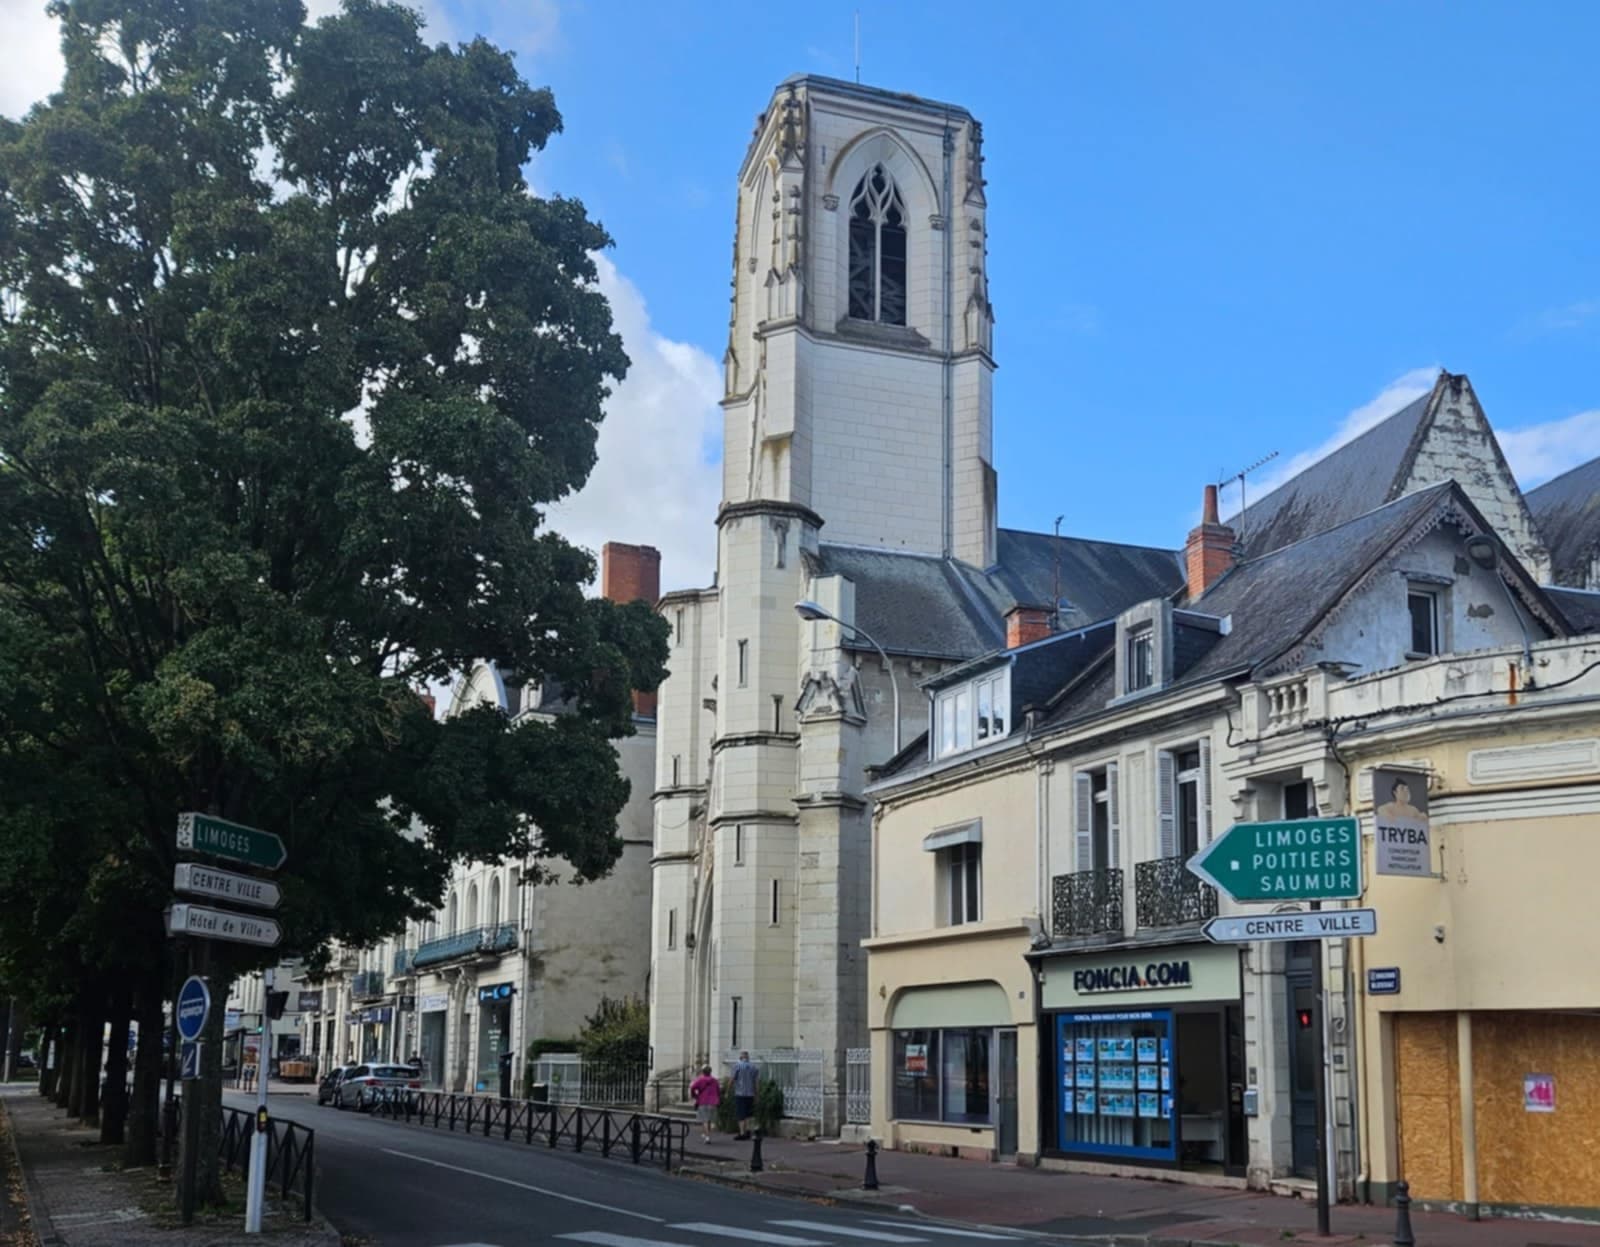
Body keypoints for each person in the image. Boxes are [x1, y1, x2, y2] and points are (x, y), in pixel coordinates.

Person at [689, 1065, 721, 1144]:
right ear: (710, 1072)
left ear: (703, 1072)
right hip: (713, 1102)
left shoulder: (700, 1080)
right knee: (709, 1119)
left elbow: (693, 1087)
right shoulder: (715, 1080)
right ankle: (707, 1134)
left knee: (704, 1120)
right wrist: (718, 1098)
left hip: (703, 1101)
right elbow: (718, 1090)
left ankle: (707, 1137)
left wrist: (694, 1096)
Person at [731, 1050, 759, 1141]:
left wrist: (727, 1090)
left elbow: (732, 1079)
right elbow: (756, 1082)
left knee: (741, 1114)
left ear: (740, 1057)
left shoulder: (737, 1066)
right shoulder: (754, 1067)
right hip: (750, 1094)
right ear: (748, 1057)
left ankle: (742, 1133)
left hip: (740, 1093)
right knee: (749, 1114)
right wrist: (757, 1094)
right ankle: (750, 1132)